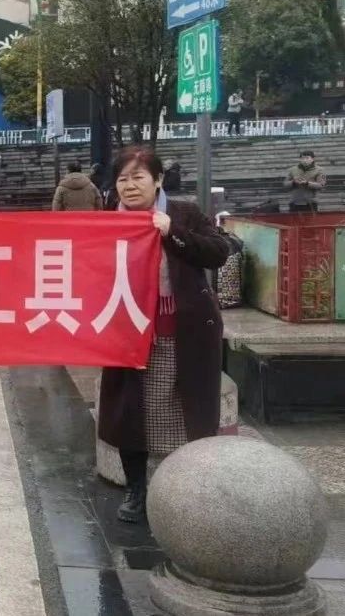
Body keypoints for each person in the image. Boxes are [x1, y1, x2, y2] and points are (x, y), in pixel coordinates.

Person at [99, 148, 230, 524]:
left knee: (188, 415)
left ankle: (186, 490)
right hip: (128, 335)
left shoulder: (183, 214)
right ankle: (137, 491)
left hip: (184, 333)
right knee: (131, 414)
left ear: (157, 180)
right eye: (122, 179)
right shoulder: (104, 222)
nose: (129, 186)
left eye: (138, 177)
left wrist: (173, 233)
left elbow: (218, 252)